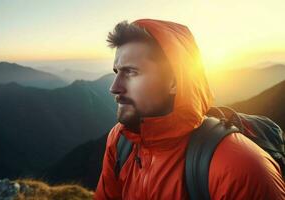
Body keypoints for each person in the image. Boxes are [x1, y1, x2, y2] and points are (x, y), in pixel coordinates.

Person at [95, 19, 285, 200]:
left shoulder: (241, 168)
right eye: (116, 72)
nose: (114, 87)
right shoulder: (121, 140)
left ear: (174, 82)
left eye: (130, 72)